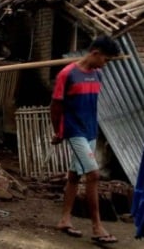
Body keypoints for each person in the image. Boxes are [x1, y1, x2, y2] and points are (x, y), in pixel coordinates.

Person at [50, 35, 120, 244]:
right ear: (95, 53)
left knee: (74, 176)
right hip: (75, 131)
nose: (106, 64)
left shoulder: (98, 74)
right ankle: (97, 227)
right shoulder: (67, 74)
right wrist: (57, 131)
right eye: (106, 60)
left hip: (90, 131)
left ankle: (64, 219)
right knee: (94, 174)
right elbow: (56, 105)